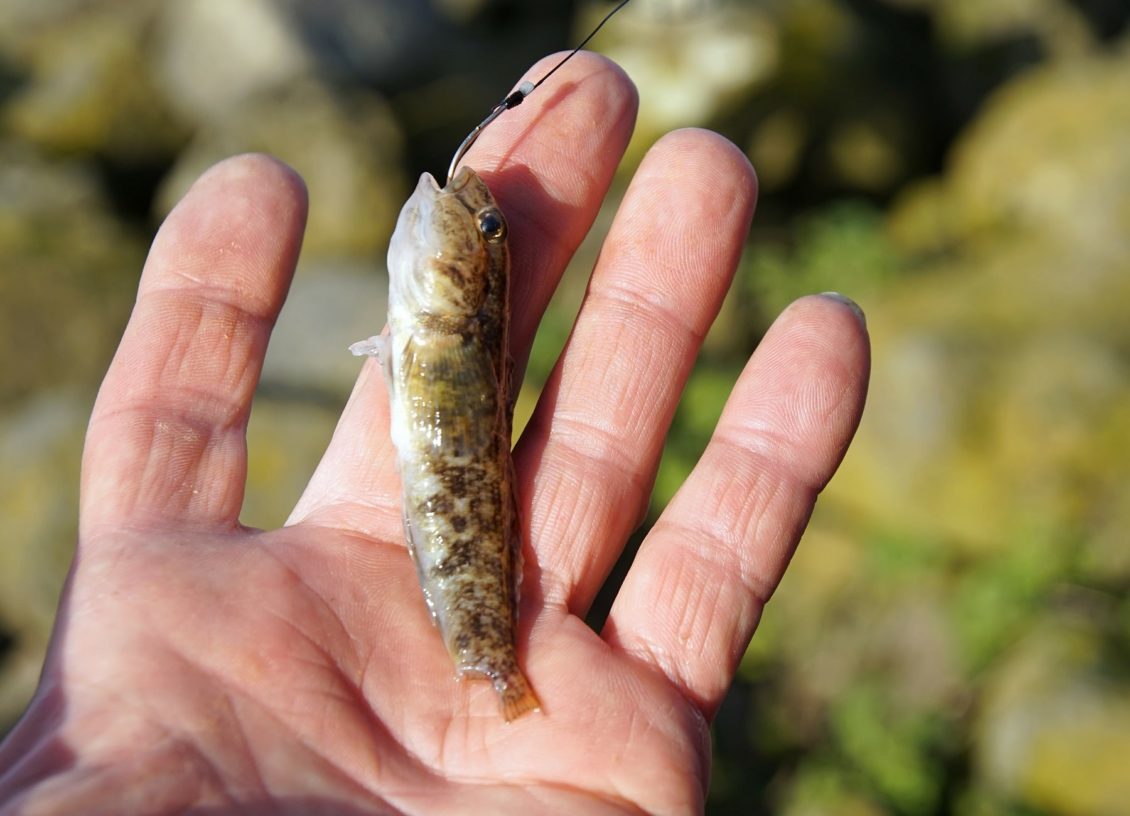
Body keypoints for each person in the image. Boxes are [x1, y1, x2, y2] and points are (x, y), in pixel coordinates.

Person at [0, 54, 868, 814]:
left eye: (487, 229)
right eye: (488, 227)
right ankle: (493, 666)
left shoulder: (449, 320)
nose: (478, 215)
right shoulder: (444, 316)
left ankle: (495, 664)